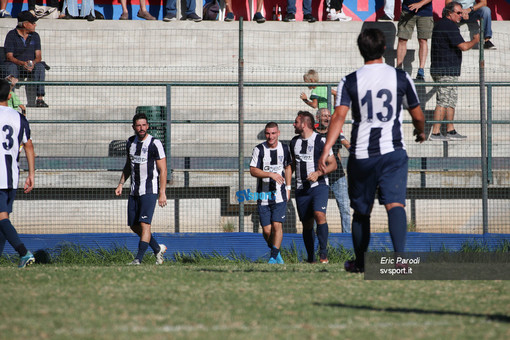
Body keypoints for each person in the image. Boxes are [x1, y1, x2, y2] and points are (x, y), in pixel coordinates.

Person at [319, 28, 426, 273]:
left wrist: (326, 147)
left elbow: (339, 117)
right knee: (395, 205)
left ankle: (361, 263)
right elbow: (418, 114)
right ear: (385, 49)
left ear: (360, 50)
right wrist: (420, 131)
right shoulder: (400, 77)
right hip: (393, 152)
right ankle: (401, 260)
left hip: (362, 154)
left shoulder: (350, 80)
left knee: (361, 211)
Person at [115, 113, 168, 265]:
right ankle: (157, 248)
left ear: (148, 126)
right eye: (138, 125)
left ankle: (138, 259)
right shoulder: (130, 143)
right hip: (134, 191)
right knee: (134, 225)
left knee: (145, 225)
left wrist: (162, 192)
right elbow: (128, 165)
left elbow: (163, 170)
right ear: (134, 127)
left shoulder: (155, 143)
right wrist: (120, 184)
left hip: (149, 191)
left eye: (144, 125)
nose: (141, 128)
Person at [429, 1, 479, 141]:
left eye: (462, 12)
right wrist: (475, 40)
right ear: (449, 13)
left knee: (451, 101)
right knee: (444, 101)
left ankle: (450, 130)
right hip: (445, 69)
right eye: (458, 12)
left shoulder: (442, 24)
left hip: (448, 69)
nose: (461, 15)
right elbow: (463, 46)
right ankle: (435, 132)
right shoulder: (448, 25)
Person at [291, 111, 337, 263]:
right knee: (307, 223)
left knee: (319, 214)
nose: (294, 125)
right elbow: (292, 165)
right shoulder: (294, 142)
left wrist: (317, 173)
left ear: (303, 124)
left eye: (296, 122)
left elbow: (333, 165)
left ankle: (323, 254)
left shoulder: (321, 140)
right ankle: (311, 258)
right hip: (301, 188)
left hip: (319, 186)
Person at [0, 79, 36, 268]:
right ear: (8, 96)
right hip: (12, 176)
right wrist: (31, 174)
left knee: (2, 219)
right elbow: (28, 145)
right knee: (2, 219)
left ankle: (24, 253)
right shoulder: (19, 117)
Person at [249, 122, 292, 264]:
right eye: (268, 133)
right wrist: (270, 174)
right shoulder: (259, 149)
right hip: (263, 196)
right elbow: (253, 170)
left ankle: (273, 258)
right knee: (267, 231)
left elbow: (287, 168)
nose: (270, 136)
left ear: (278, 133)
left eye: (273, 133)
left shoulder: (285, 149)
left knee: (277, 225)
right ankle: (277, 253)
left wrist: (289, 188)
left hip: (280, 195)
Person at [315, 108, 351, 233]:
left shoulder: (336, 133)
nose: (327, 118)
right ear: (317, 118)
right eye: (324, 115)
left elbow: (338, 152)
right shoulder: (313, 135)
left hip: (338, 176)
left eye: (329, 116)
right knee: (318, 211)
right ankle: (317, 237)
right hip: (320, 177)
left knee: (345, 208)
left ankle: (346, 237)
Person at [3, 11, 48, 108]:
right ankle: (10, 98)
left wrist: (33, 63)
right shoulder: (11, 35)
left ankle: (40, 99)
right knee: (11, 66)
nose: (35, 25)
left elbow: (39, 56)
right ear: (24, 24)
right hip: (16, 65)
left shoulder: (35, 36)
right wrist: (22, 63)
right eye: (32, 23)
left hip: (30, 66)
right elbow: (9, 56)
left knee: (40, 66)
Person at [396, 0, 434, 81]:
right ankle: (398, 68)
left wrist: (420, 4)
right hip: (408, 10)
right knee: (402, 39)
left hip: (425, 12)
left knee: (423, 40)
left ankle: (421, 69)